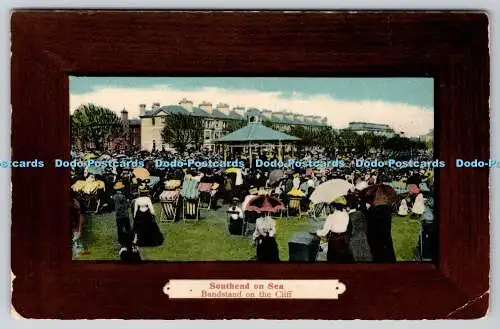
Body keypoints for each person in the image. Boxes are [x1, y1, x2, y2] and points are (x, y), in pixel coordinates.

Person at [315, 196, 354, 263]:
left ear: (334, 206)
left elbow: (324, 232)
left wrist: (316, 231)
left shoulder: (332, 216)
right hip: (344, 241)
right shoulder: (346, 214)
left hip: (334, 241)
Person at [111, 181, 132, 249]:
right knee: (127, 229)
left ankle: (121, 243)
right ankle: (130, 241)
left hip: (118, 215)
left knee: (120, 230)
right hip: (125, 215)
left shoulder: (114, 197)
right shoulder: (123, 196)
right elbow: (127, 205)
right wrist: (128, 202)